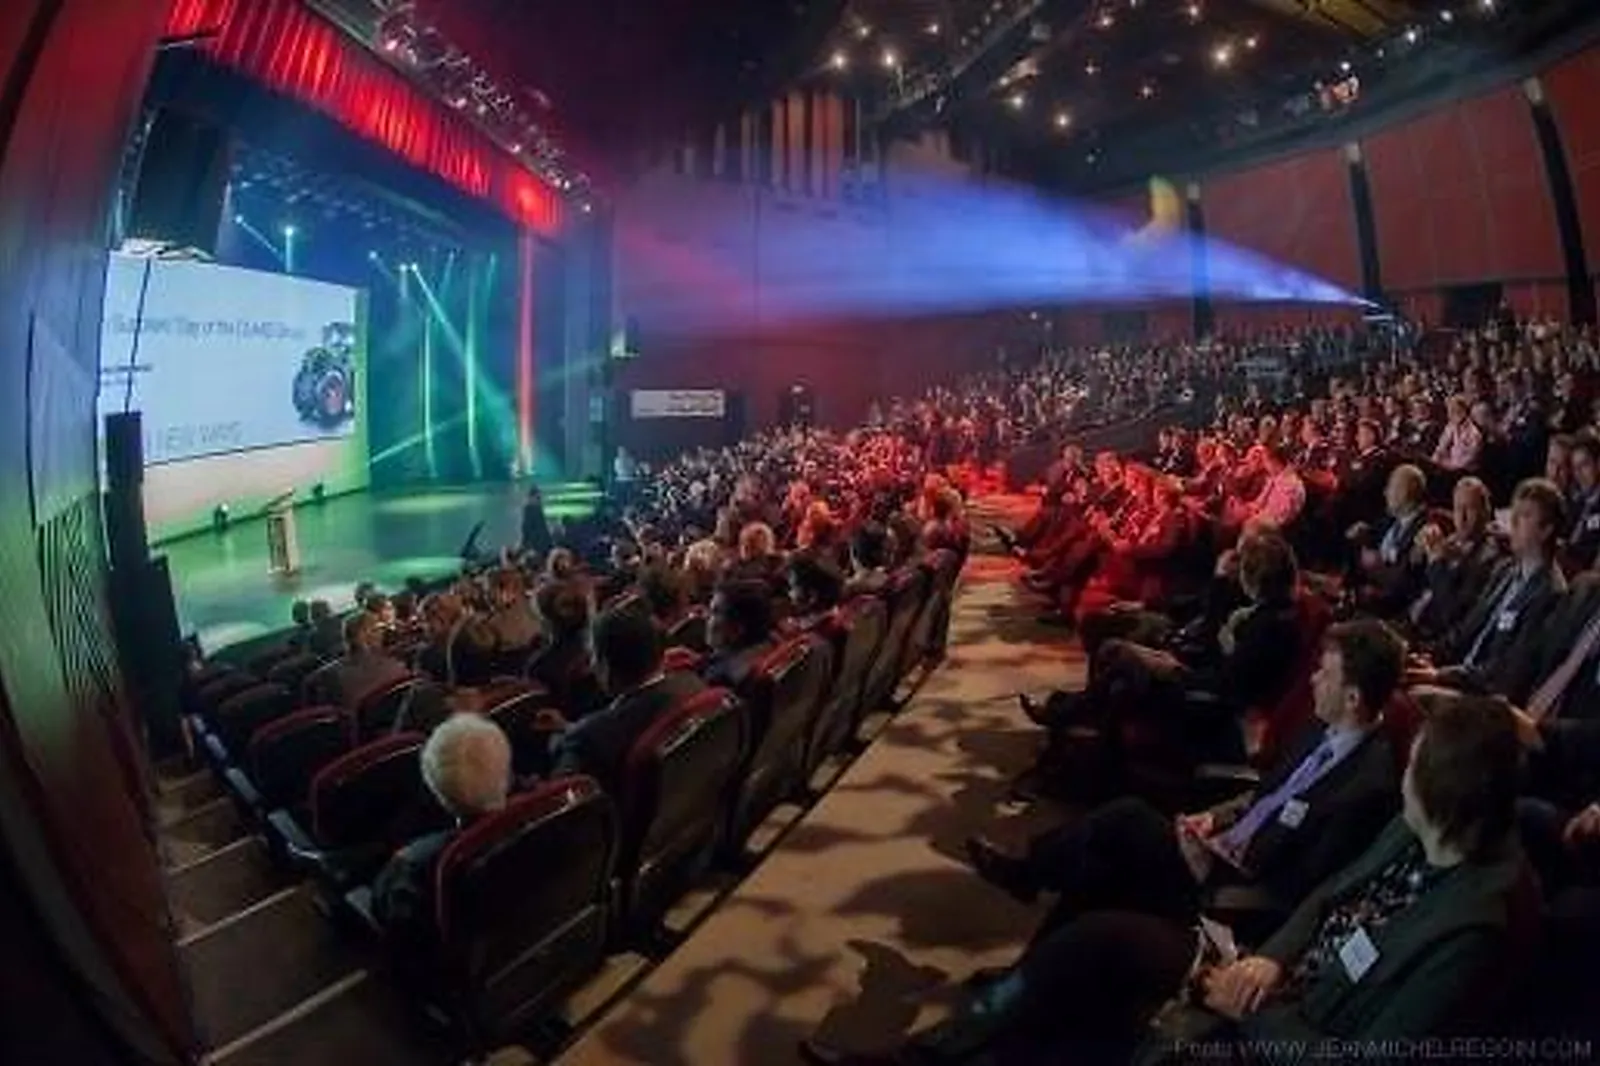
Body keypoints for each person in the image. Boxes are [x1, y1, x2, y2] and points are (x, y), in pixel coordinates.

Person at [799, 697, 1532, 1066]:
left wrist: (1245, 1001)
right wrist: (1270, 958)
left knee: (1096, 931)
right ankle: (941, 1048)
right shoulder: (1416, 830)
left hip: (1270, 1027)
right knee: (1088, 932)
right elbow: (1325, 898)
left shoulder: (1473, 927)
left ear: (1442, 788)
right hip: (1263, 969)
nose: (1404, 769)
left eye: (1417, 765)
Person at [969, 620, 1406, 928]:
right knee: (1099, 865)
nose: (1312, 681)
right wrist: (1214, 819)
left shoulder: (1367, 787)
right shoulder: (1319, 728)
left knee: (1126, 818)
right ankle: (1030, 968)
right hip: (1219, 846)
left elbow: (1305, 886)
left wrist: (1214, 863)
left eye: (1324, 674)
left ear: (1352, 697)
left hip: (1236, 888)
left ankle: (1029, 876)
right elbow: (1263, 795)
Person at [1410, 477, 1567, 704]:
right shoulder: (1506, 570)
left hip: (1484, 699)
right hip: (1458, 673)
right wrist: (1430, 656)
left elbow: (1505, 673)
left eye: (1524, 515)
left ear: (1546, 530)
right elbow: (1465, 630)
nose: (1512, 521)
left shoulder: (1550, 594)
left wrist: (1440, 676)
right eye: (1514, 512)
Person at [371, 714, 513, 949]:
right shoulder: (551, 810)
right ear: (506, 774)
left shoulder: (413, 865)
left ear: (436, 792)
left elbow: (387, 916)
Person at [548, 603, 706, 794]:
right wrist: (568, 726)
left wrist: (558, 739)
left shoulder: (588, 740)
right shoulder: (693, 683)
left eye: (593, 657)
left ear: (605, 668)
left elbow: (559, 802)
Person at [704, 579, 779, 690]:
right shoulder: (772, 643)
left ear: (738, 629)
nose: (706, 617)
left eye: (715, 612)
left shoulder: (719, 677)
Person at [520, 483, 553, 557]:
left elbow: (526, 528)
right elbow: (539, 529)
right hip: (539, 544)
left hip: (537, 543)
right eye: (538, 498)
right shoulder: (533, 509)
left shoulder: (530, 509)